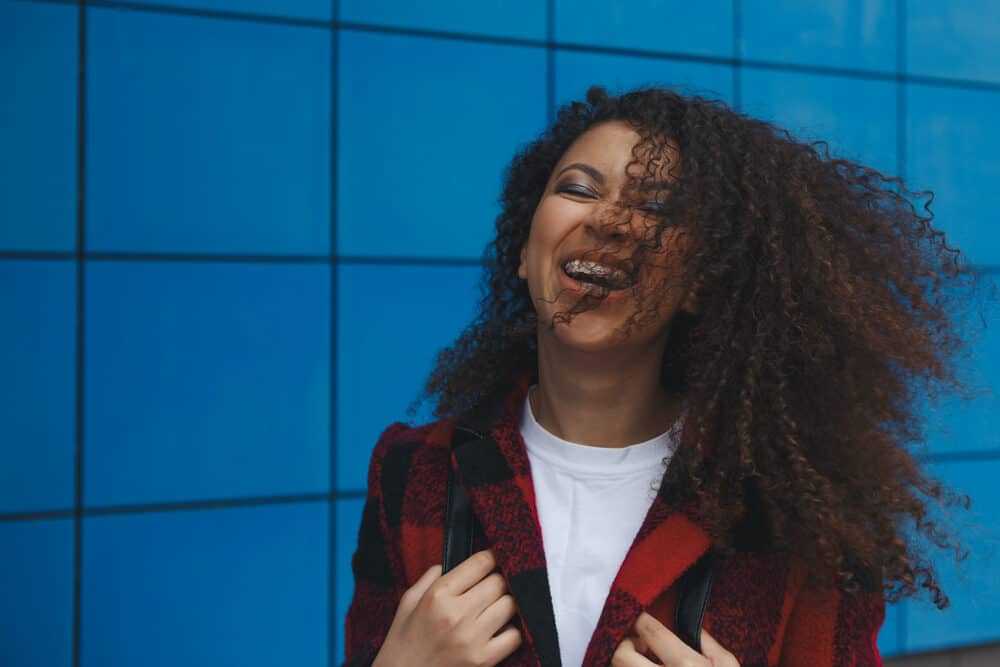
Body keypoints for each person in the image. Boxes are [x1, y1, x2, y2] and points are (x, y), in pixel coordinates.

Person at [342, 85, 990, 667]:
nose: (609, 219)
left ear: (700, 286)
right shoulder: (412, 472)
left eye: (655, 205)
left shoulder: (800, 515)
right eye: (578, 187)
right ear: (522, 248)